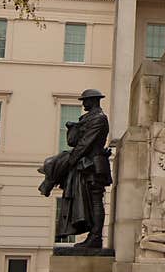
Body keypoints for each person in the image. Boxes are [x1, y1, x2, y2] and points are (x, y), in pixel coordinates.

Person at [38, 89, 112, 248]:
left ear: (93, 101)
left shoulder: (99, 119)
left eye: (85, 100)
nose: (83, 103)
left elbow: (85, 144)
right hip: (85, 164)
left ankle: (96, 238)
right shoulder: (87, 118)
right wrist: (73, 128)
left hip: (93, 165)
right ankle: (93, 236)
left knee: (95, 201)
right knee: (89, 201)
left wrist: (70, 161)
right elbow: (74, 142)